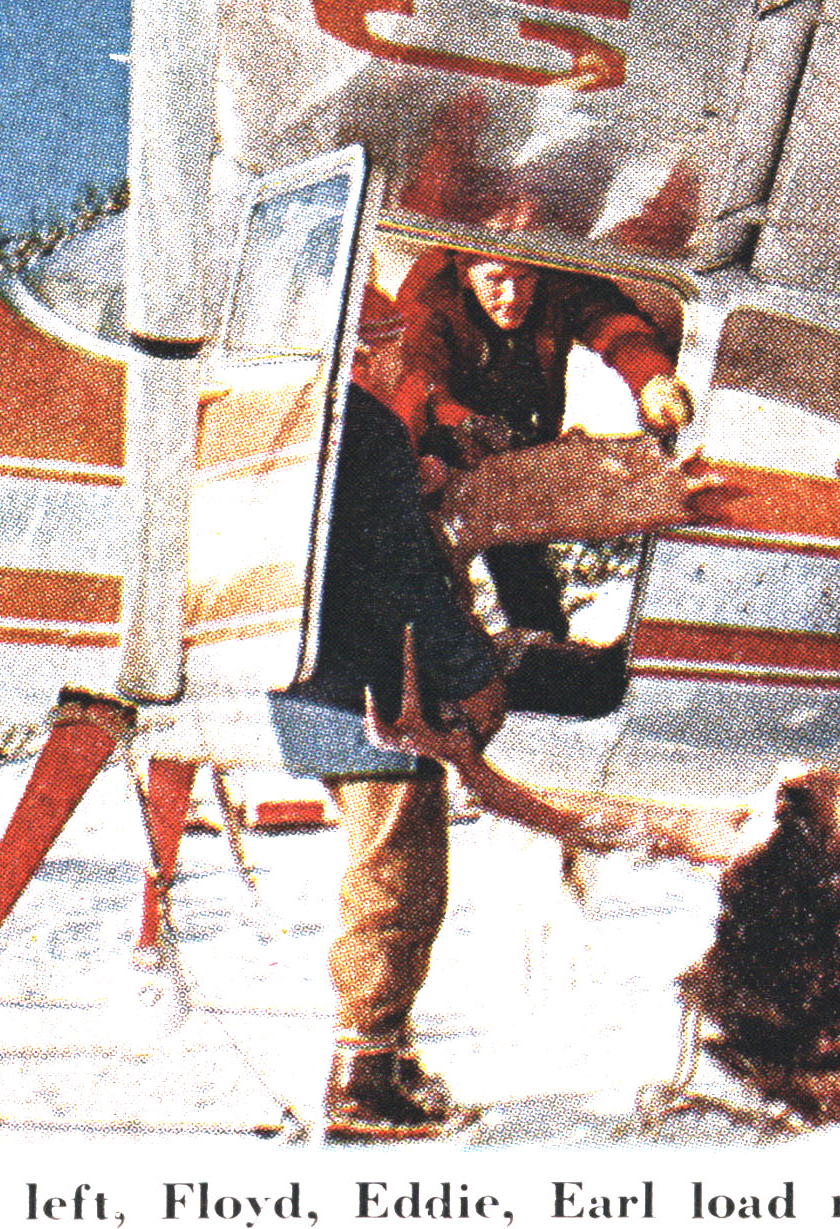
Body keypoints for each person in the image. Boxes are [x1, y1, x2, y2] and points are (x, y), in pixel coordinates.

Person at [287, 284, 507, 1141]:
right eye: (385, 345)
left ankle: (391, 1055)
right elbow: (402, 579)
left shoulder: (301, 418)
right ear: (363, 347)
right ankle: (363, 1076)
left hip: (305, 679)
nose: (395, 361)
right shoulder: (364, 426)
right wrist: (471, 666)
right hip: (378, 690)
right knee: (397, 880)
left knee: (380, 869)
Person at [390, 248, 693, 638]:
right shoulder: (432, 296)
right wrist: (459, 424)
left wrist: (651, 379)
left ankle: (542, 651)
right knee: (430, 577)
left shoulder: (558, 277)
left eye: (524, 279)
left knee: (525, 572)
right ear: (467, 275)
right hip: (443, 455)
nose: (512, 295)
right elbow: (417, 380)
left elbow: (611, 321)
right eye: (496, 280)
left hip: (520, 451)